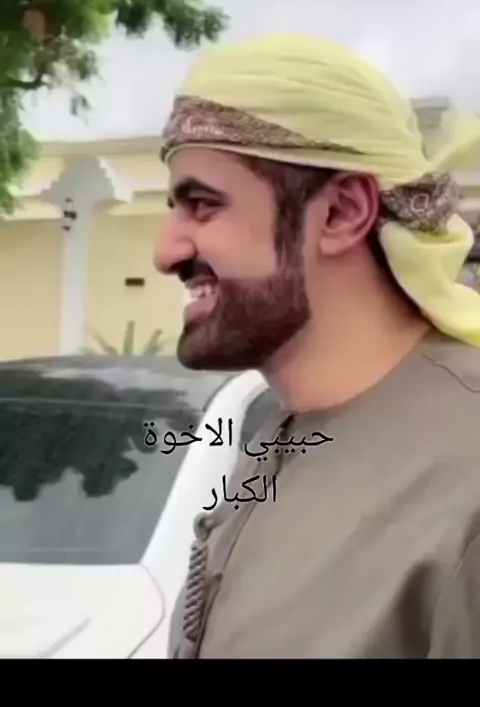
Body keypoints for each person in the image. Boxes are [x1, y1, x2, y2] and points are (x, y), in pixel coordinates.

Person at [154, 33, 480, 659]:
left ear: (340, 214)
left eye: (202, 205)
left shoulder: (465, 472)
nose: (165, 251)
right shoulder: (279, 439)